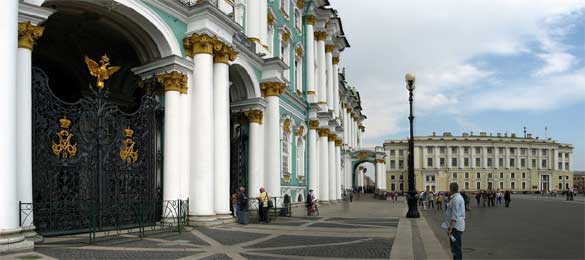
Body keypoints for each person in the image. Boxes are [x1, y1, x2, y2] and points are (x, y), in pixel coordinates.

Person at [442, 183, 465, 260]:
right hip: (456, 227)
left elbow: (454, 216)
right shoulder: (456, 198)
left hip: (455, 228)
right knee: (455, 247)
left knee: (456, 248)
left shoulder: (456, 199)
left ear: (451, 189)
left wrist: (450, 229)